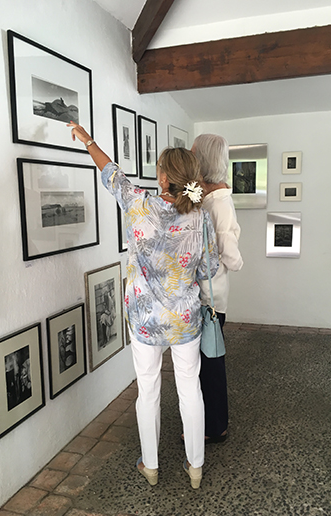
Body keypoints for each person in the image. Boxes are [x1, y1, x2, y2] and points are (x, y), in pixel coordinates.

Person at [67, 122, 219, 489]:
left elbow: (112, 174)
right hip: (184, 319)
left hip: (144, 319)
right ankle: (195, 466)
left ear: (164, 178)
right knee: (190, 389)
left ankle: (150, 466)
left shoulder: (138, 203)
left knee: (148, 389)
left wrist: (88, 140)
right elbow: (209, 268)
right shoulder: (201, 216)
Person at [192, 133, 243, 444]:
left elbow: (232, 257)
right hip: (206, 296)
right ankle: (210, 422)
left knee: (210, 364)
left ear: (202, 160)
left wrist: (231, 259)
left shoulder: (219, 203)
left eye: (193, 153)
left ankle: (214, 426)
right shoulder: (211, 198)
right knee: (206, 363)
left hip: (209, 299)